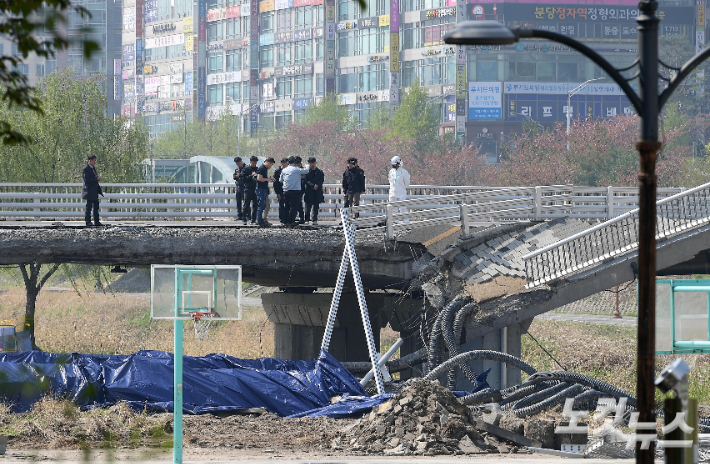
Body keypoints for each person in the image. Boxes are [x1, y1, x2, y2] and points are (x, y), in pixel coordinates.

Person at [280, 156, 309, 226]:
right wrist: (307, 166)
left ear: (288, 162)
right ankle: (291, 221)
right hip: (295, 190)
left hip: (286, 190)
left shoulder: (284, 170)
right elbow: (306, 171)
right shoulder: (296, 170)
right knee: (294, 206)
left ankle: (285, 221)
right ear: (294, 162)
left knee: (286, 206)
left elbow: (280, 180)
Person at [82, 154, 104, 227]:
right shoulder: (86, 168)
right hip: (89, 191)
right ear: (90, 161)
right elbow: (87, 180)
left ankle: (96, 221)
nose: (95, 162)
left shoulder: (93, 168)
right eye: (94, 160)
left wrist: (97, 178)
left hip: (94, 191)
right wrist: (96, 178)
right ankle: (88, 221)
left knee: (96, 207)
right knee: (89, 207)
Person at [388, 155, 411, 223]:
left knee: (403, 207)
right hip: (393, 192)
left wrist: (403, 187)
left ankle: (406, 222)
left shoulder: (404, 172)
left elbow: (407, 182)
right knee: (393, 208)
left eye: (395, 164)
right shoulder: (391, 172)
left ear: (398, 164)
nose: (393, 165)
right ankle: (395, 221)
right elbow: (390, 180)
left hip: (401, 192)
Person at [304, 157, 324, 225]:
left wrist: (317, 185)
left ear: (316, 163)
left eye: (313, 163)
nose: (312, 164)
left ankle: (314, 219)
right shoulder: (306, 172)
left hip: (317, 191)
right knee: (308, 206)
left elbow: (321, 180)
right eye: (310, 163)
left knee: (316, 206)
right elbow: (305, 180)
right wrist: (312, 185)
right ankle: (307, 219)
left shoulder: (320, 172)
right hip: (309, 191)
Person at [256, 157, 275, 227]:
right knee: (261, 205)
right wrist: (268, 179)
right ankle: (260, 220)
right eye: (271, 164)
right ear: (268, 162)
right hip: (261, 188)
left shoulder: (264, 168)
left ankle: (262, 220)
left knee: (264, 205)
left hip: (264, 188)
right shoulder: (262, 168)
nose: (271, 166)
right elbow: (259, 178)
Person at [241, 156, 259, 224]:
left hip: (255, 189)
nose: (254, 164)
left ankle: (253, 219)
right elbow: (243, 178)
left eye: (255, 163)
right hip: (248, 188)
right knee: (246, 204)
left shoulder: (257, 169)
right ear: (250, 162)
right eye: (253, 163)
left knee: (255, 205)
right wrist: (251, 176)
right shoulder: (246, 169)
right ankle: (244, 218)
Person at [273, 158, 288, 224]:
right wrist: (277, 192)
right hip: (280, 190)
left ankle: (286, 218)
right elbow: (275, 183)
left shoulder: (287, 170)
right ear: (282, 163)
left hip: (286, 190)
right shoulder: (277, 171)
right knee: (281, 205)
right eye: (286, 164)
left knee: (287, 205)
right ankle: (282, 219)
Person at [232, 157, 247, 221]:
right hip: (238, 186)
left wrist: (240, 175)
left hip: (244, 186)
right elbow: (236, 177)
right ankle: (239, 215)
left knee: (245, 202)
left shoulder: (246, 168)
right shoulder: (237, 169)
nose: (238, 165)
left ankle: (247, 215)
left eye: (239, 163)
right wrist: (235, 176)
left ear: (241, 161)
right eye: (237, 164)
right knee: (238, 202)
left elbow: (246, 176)